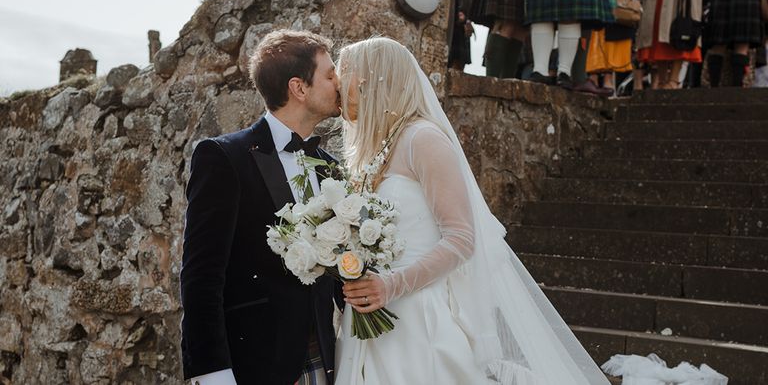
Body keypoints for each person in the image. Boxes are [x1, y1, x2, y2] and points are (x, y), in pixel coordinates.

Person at [334, 37, 611, 384]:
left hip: (417, 315)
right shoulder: (379, 147)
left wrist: (391, 286)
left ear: (373, 81)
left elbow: (462, 238)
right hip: (371, 314)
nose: (338, 84)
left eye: (344, 74)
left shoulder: (423, 140)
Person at [180, 30, 341, 385]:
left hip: (323, 361)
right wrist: (212, 374)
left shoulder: (330, 166)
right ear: (299, 88)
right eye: (330, 74)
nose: (339, 82)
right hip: (252, 363)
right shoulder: (224, 158)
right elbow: (201, 276)